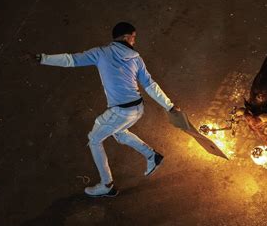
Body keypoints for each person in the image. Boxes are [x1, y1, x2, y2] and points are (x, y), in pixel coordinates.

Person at [31, 22, 179, 197]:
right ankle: (151, 156)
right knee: (120, 132)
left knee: (94, 139)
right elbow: (150, 85)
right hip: (137, 108)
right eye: (133, 37)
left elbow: (71, 60)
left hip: (121, 112)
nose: (134, 41)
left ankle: (106, 185)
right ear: (126, 37)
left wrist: (43, 58)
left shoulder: (100, 53)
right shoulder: (136, 59)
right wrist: (169, 106)